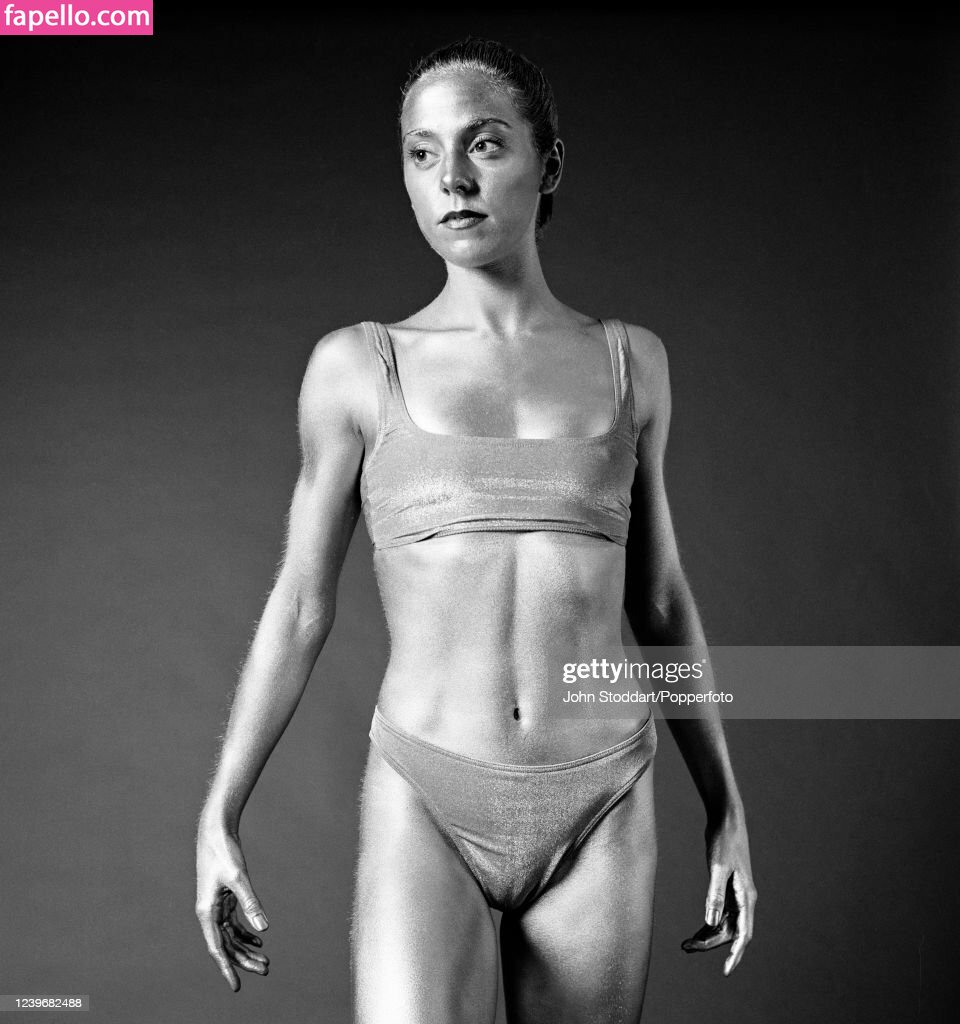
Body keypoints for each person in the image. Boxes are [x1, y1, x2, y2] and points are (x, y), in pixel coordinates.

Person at [195, 36, 756, 1023]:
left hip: (604, 792)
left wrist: (727, 805)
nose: (450, 178)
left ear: (549, 164)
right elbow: (301, 604)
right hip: (427, 785)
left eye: (484, 144)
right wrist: (220, 809)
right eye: (422, 153)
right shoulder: (357, 368)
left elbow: (661, 601)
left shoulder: (633, 363)